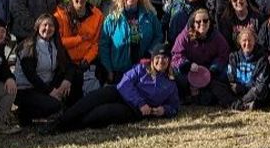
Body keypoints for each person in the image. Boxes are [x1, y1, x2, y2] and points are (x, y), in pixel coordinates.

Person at [43, 44, 179, 133]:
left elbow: (174, 106)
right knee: (90, 100)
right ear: (152, 58)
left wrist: (163, 110)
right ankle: (59, 122)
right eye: (158, 57)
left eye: (165, 58)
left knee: (100, 113)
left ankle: (66, 128)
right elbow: (125, 83)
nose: (161, 61)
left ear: (169, 61)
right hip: (119, 93)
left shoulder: (171, 83)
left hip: (133, 110)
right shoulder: (141, 68)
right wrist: (141, 102)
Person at [14, 14, 77, 126]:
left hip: (46, 86)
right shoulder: (28, 46)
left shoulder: (56, 44)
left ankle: (65, 109)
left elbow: (71, 66)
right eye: (45, 25)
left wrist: (67, 81)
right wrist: (50, 91)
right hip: (27, 89)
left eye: (51, 26)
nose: (48, 28)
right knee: (55, 105)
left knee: (76, 79)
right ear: (38, 26)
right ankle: (24, 114)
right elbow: (32, 77)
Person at [100, 0, 164, 82]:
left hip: (144, 68)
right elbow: (104, 46)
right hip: (119, 70)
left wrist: (151, 52)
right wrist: (108, 69)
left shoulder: (150, 15)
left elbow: (159, 36)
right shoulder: (112, 19)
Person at [171, 8, 231, 105]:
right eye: (198, 21)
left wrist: (213, 68)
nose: (202, 23)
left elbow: (224, 54)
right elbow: (176, 54)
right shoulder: (185, 35)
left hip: (209, 70)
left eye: (205, 20)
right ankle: (187, 95)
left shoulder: (216, 35)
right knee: (176, 74)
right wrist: (187, 64)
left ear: (210, 22)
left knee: (224, 74)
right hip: (190, 70)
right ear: (193, 23)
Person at [54, 0, 103, 94]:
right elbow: (59, 42)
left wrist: (87, 59)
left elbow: (95, 43)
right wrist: (79, 39)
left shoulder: (97, 15)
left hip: (86, 61)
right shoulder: (60, 15)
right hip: (66, 61)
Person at [226, 27, 270, 110]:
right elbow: (231, 78)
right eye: (244, 40)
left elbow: (261, 82)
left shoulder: (262, 58)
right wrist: (237, 87)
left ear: (255, 41)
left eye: (250, 40)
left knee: (262, 88)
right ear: (239, 42)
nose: (247, 43)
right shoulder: (233, 57)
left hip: (253, 91)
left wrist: (243, 99)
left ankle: (241, 104)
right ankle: (245, 105)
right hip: (238, 90)